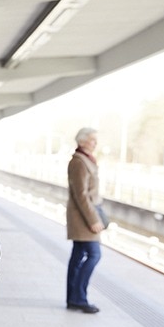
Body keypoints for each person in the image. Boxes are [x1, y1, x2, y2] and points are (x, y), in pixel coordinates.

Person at [65, 127, 104, 314]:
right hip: (83, 217)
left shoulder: (85, 160)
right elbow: (81, 195)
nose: (95, 143)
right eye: (91, 140)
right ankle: (79, 298)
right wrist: (93, 220)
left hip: (83, 215)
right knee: (94, 255)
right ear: (81, 141)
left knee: (78, 256)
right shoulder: (79, 162)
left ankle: (73, 298)